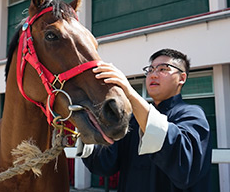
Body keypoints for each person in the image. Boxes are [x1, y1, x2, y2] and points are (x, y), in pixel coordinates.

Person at [80, 48, 212, 192]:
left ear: (182, 78)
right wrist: (85, 122)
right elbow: (105, 164)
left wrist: (129, 93)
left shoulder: (192, 114)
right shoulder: (133, 120)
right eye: (150, 69)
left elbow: (184, 166)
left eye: (163, 69)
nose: (153, 75)